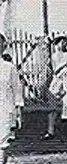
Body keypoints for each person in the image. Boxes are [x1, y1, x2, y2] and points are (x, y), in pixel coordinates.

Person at [0, 33, 23, 164]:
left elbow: (17, 90)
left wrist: (18, 111)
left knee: (2, 143)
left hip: (5, 110)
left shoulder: (9, 67)